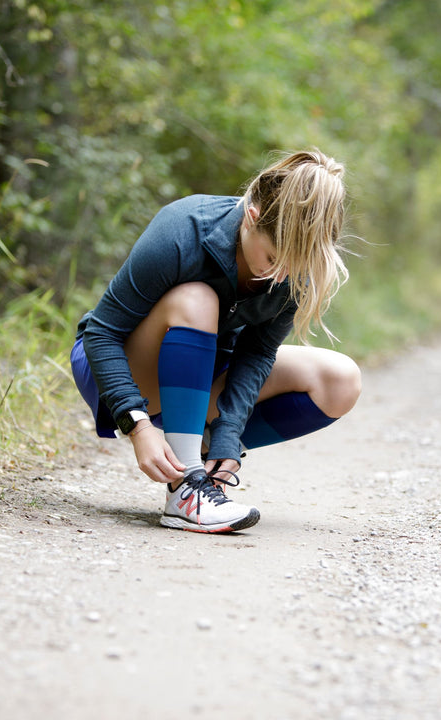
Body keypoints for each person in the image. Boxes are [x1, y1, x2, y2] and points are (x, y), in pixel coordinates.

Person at [70, 149, 362, 533]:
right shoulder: (185, 227)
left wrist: (228, 437)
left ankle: (203, 457)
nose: (281, 276)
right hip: (119, 369)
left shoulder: (297, 268)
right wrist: (137, 425)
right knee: (198, 298)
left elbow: (256, 355)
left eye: (295, 266)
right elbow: (102, 332)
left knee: (341, 379)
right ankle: (187, 489)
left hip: (204, 377)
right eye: (273, 258)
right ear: (252, 217)